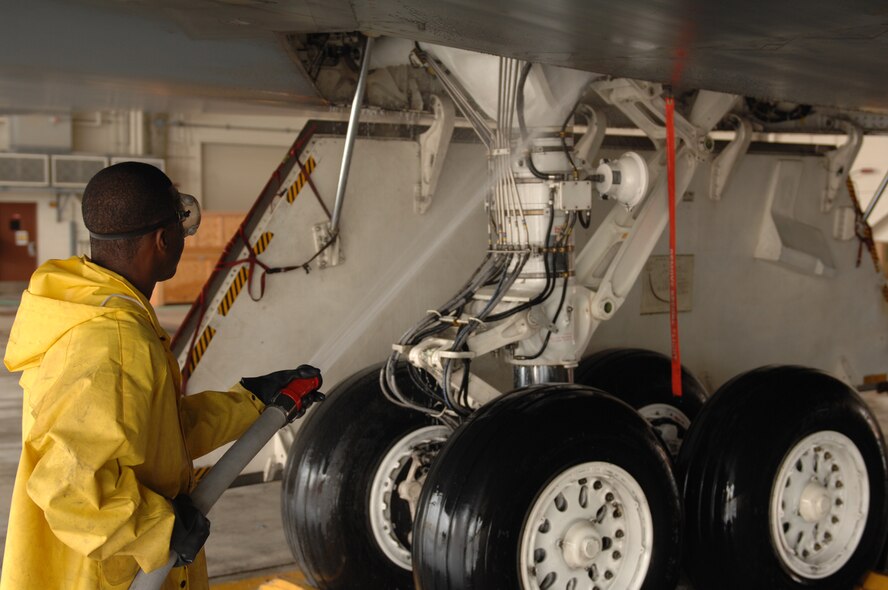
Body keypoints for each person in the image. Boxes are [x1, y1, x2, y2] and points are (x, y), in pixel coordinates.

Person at [1, 162, 322, 590]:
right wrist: (159, 530)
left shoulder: (86, 308)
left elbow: (154, 436)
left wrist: (252, 402)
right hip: (104, 578)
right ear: (163, 238)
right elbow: (68, 486)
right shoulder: (113, 341)